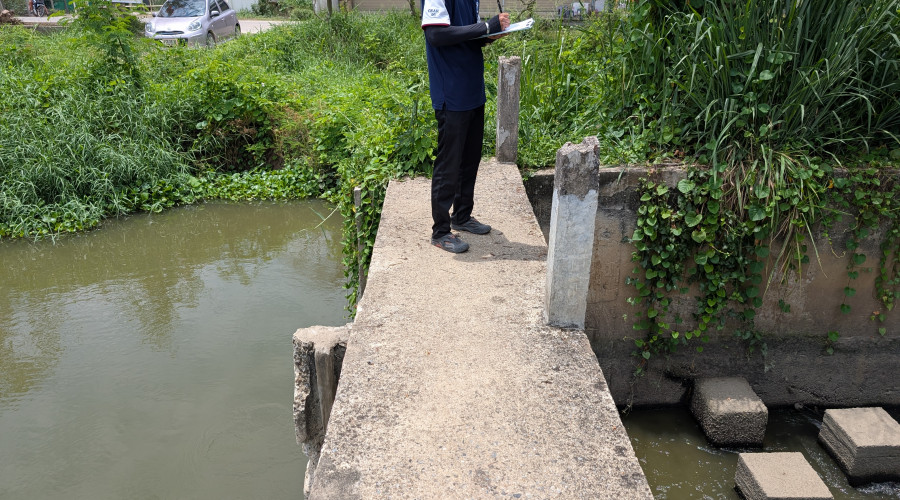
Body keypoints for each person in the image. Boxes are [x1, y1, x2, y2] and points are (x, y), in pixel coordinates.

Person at [421, 0, 510, 253]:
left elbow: (466, 34)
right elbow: (436, 35)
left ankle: (461, 216)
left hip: (472, 90)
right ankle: (440, 232)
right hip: (451, 92)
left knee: (470, 159)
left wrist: (489, 35)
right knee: (449, 163)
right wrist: (485, 26)